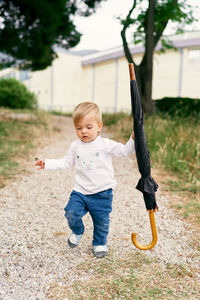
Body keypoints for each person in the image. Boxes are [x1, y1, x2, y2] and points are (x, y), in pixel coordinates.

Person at [35, 102, 135, 258]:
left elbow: (124, 152)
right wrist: (47, 163)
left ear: (99, 126)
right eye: (79, 128)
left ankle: (99, 243)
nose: (84, 132)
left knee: (101, 222)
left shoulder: (104, 144)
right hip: (80, 192)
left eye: (89, 127)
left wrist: (133, 140)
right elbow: (65, 163)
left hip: (102, 193)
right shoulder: (75, 146)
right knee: (70, 212)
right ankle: (78, 230)